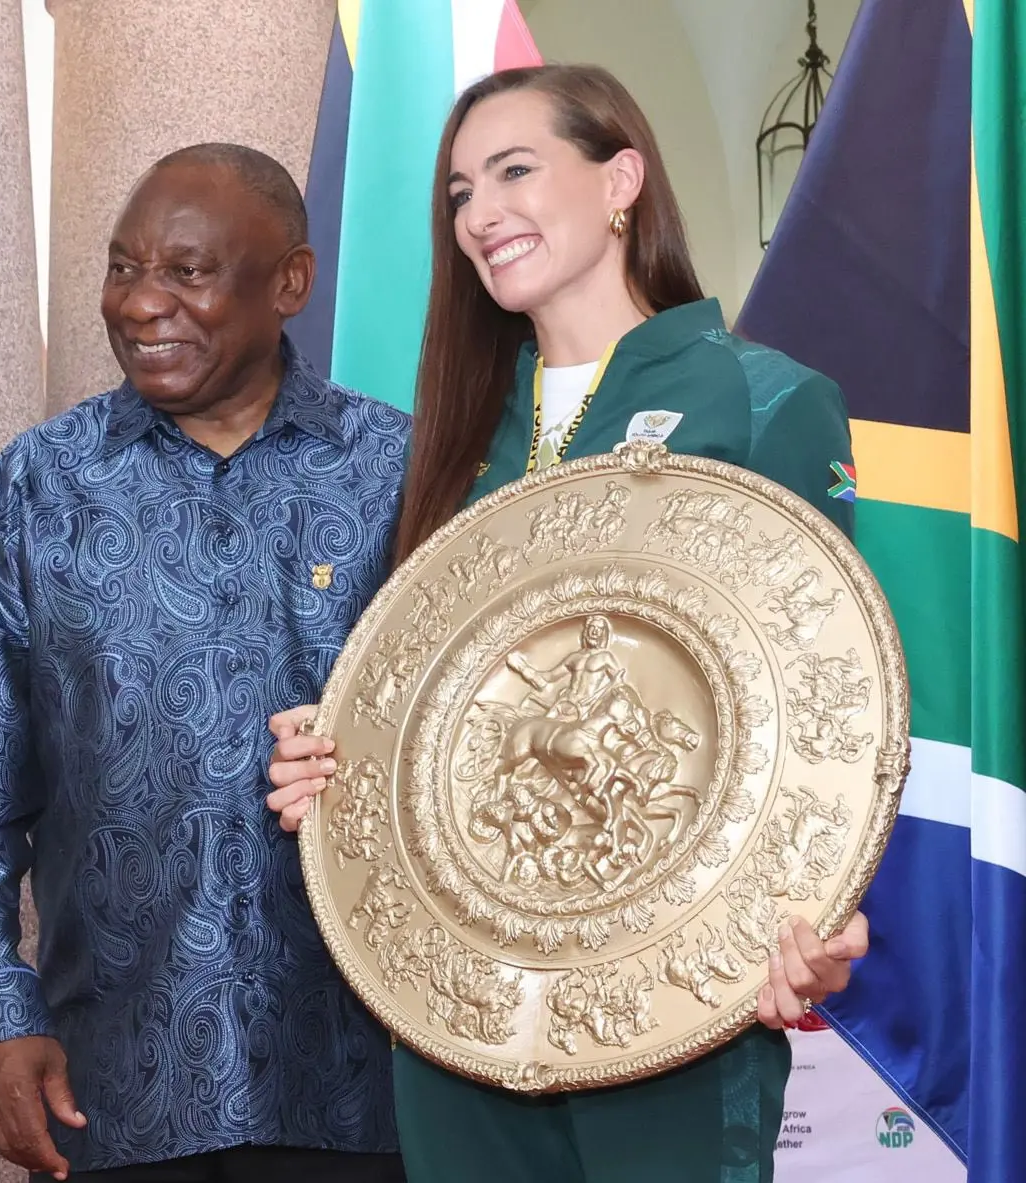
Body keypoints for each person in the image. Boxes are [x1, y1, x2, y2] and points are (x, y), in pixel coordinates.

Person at [265, 65, 872, 1183]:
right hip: (462, 1008)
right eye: (456, 194)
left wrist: (823, 910)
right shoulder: (447, 439)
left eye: (512, 171)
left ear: (620, 181)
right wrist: (335, 759)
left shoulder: (765, 401)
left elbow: (832, 689)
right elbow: (431, 706)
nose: (479, 213)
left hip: (678, 989)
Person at [0, 143, 411, 1183]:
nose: (139, 304)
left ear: (290, 284)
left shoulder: (403, 473)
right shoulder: (33, 492)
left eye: (186, 271)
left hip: (368, 1088)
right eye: (123, 268)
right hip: (120, 1092)